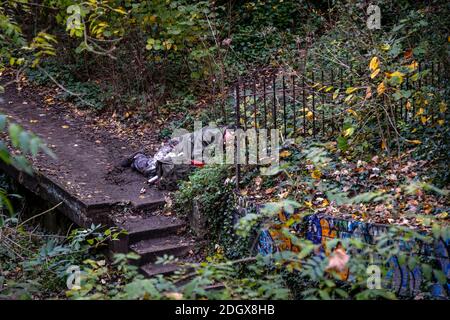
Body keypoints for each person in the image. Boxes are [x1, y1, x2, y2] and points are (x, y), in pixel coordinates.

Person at [121, 125, 230, 190]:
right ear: (228, 131)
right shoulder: (212, 134)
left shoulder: (223, 141)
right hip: (175, 147)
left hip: (183, 153)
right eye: (232, 136)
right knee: (152, 169)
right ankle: (138, 157)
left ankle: (138, 162)